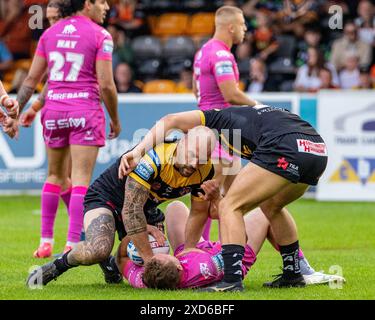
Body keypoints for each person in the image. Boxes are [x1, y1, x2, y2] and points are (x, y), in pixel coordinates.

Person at [118, 104, 329, 291]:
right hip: (316, 150)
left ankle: (231, 280)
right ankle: (293, 273)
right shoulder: (247, 118)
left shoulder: (217, 119)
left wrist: (137, 152)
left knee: (230, 206)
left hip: (285, 147)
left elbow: (170, 120)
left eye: (201, 157)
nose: (195, 165)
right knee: (272, 206)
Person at [26, 127, 217, 287]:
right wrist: (149, 257)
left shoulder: (206, 171)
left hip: (145, 208)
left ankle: (111, 264)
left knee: (155, 257)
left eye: (201, 159)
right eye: (192, 155)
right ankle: (57, 266)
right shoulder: (153, 159)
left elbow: (199, 211)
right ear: (182, 144)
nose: (194, 164)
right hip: (107, 198)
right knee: (99, 249)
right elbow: (130, 211)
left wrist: (190, 248)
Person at [14, 0, 121, 257]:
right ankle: (73, 242)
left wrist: (15, 110)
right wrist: (115, 118)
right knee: (82, 180)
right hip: (84, 110)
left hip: (54, 112)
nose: (106, 6)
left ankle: (45, 241)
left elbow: (31, 80)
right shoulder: (100, 35)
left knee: (55, 177)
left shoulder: (50, 34)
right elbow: (106, 84)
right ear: (86, 4)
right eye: (101, 1)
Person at [118, 198, 345, 289]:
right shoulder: (204, 267)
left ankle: (205, 216)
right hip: (230, 258)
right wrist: (219, 212)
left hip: (197, 250)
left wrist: (137, 238)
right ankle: (300, 266)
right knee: (267, 210)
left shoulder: (145, 280)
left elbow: (121, 258)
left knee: (176, 207)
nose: (165, 252)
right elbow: (236, 243)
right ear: (178, 265)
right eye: (166, 255)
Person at [192, 6, 258, 239]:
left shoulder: (203, 52)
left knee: (228, 200)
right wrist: (259, 107)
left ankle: (222, 251)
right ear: (231, 27)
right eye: (242, 25)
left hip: (219, 132)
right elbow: (231, 94)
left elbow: (196, 91)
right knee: (210, 200)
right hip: (219, 134)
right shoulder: (221, 55)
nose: (245, 29)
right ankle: (203, 250)